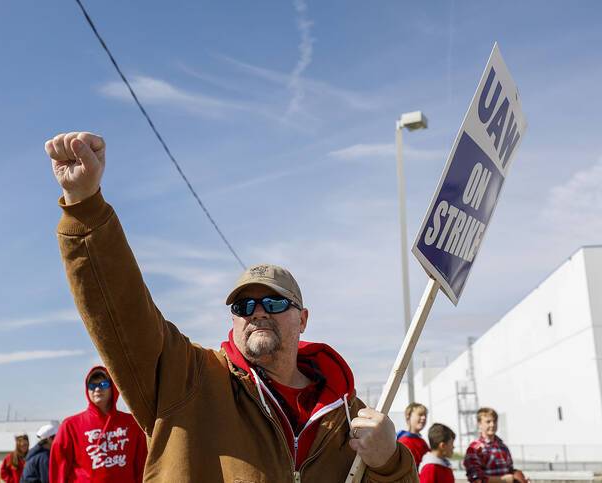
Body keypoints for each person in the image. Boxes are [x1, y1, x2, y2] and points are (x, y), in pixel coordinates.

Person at [45, 131, 418, 482]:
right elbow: (122, 313)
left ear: (302, 319)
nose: (257, 311)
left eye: (273, 302)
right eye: (243, 305)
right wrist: (85, 206)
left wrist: (389, 463)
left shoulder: (347, 415)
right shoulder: (188, 379)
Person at [49, 366, 147, 482]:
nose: (97, 389)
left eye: (103, 384)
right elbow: (59, 466)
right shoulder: (70, 425)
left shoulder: (132, 423)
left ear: (113, 387)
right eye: (92, 386)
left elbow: (142, 464)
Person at [463, 407, 529, 483]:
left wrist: (520, 479)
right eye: (488, 422)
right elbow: (476, 479)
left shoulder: (503, 447)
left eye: (494, 421)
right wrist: (504, 480)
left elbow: (510, 471)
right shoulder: (474, 448)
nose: (492, 424)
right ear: (479, 424)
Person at [397, 402, 430, 467]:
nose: (424, 418)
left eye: (425, 415)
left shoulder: (421, 441)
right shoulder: (404, 442)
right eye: (420, 414)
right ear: (408, 417)